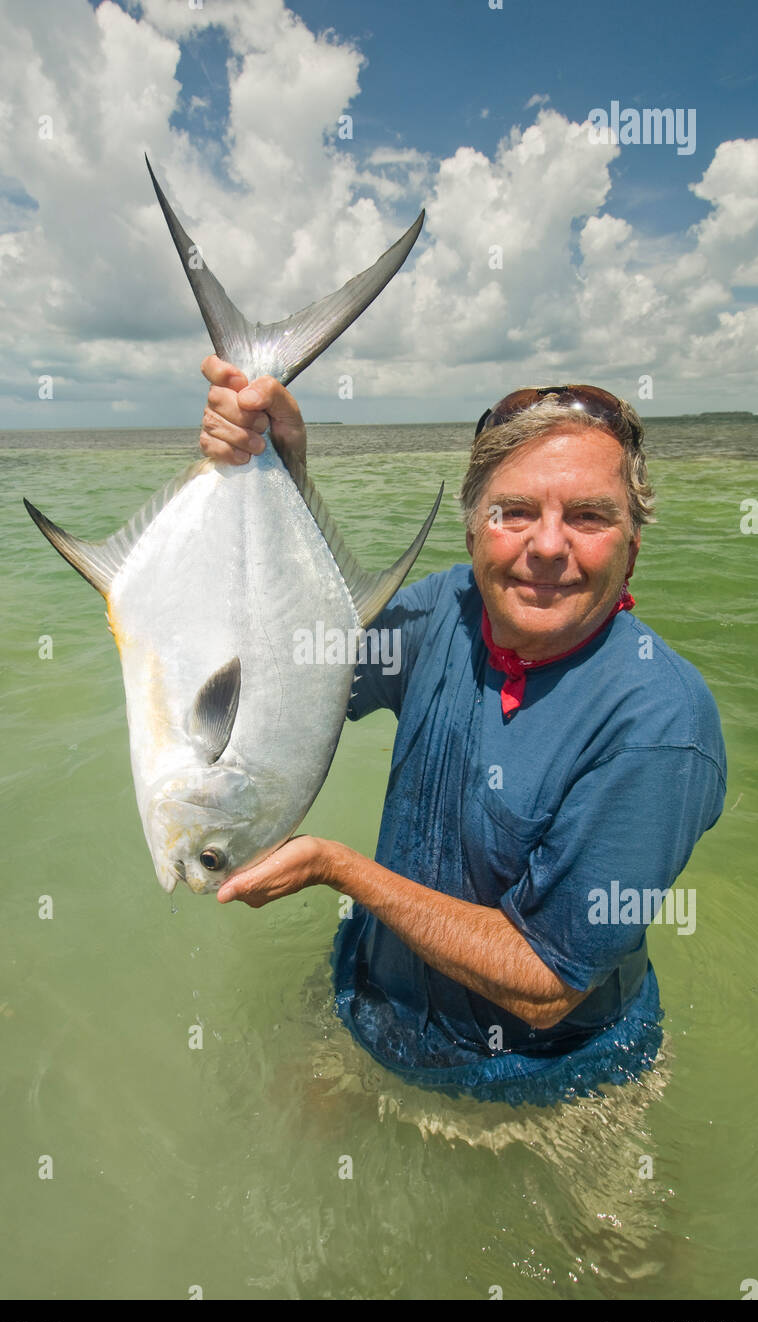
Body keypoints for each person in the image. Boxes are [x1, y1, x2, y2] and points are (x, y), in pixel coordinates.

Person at [199, 359, 727, 1107]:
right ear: (475, 532)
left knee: (608, 1230)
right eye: (514, 512)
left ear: (632, 546)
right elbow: (289, 678)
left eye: (588, 515)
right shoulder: (444, 605)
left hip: (553, 1080)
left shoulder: (659, 727)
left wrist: (336, 869)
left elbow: (547, 984)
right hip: (374, 1002)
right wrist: (275, 467)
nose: (547, 546)